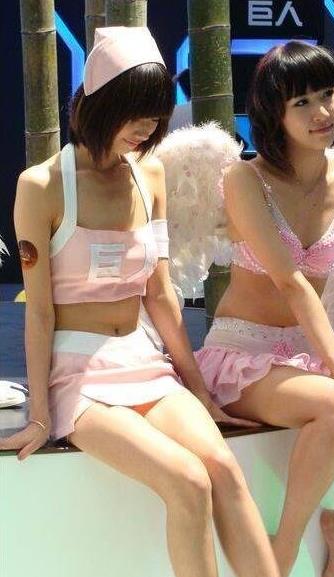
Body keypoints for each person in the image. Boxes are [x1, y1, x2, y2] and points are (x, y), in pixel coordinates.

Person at [0, 26, 280, 577]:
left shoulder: (149, 174)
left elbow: (160, 292)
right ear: (100, 101)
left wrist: (199, 390)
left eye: (156, 113)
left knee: (224, 469)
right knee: (188, 481)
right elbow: (40, 310)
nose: (148, 127)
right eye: (136, 111)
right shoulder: (41, 184)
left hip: (144, 363)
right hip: (77, 377)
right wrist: (39, 414)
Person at [194, 41, 334, 577]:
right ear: (274, 113)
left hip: (311, 352)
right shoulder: (245, 179)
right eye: (301, 103)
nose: (321, 112)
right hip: (244, 354)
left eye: (327, 94)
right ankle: (285, 547)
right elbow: (291, 282)